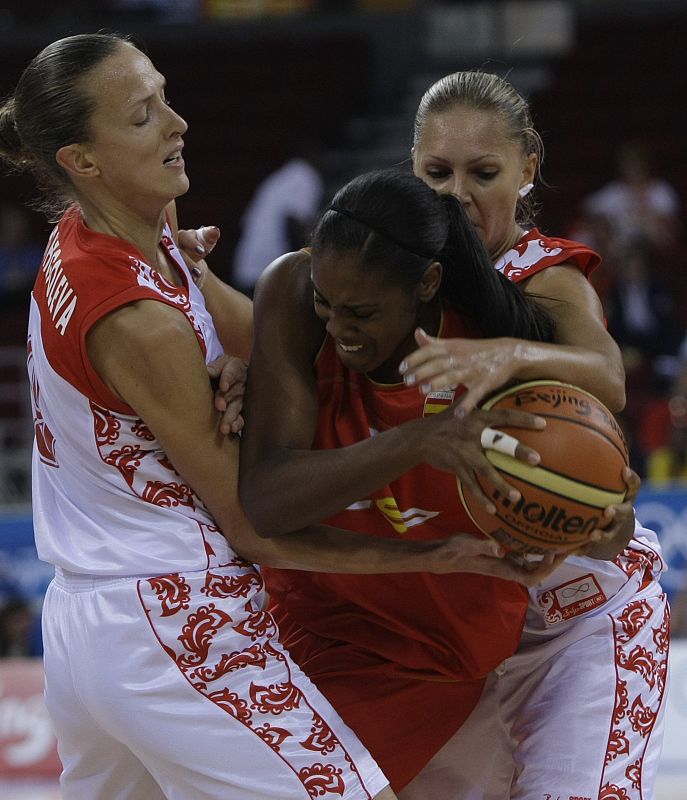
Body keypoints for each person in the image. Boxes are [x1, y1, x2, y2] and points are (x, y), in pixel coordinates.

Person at [0, 32, 511, 800]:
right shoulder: (137, 319)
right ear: (83, 160)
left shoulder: (105, 233)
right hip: (173, 615)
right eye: (142, 116)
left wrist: (238, 355)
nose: (176, 124)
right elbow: (253, 523)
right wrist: (430, 557)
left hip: (84, 625)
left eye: (164, 97)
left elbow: (266, 348)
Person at [235, 166, 638, 791]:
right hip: (314, 626)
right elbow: (266, 499)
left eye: (361, 312)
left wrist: (604, 524)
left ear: (426, 284)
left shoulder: (502, 351)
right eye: (326, 305)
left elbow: (599, 522)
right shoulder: (293, 289)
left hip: (438, 654)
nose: (338, 328)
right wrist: (418, 440)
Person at [396, 69, 668, 800]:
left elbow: (607, 376)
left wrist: (509, 353)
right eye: (437, 172)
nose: (457, 193)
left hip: (581, 623)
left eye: (482, 173)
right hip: (457, 637)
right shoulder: (388, 283)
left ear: (526, 170)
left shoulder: (544, 277)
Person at [231, 144, 325, 296]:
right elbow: (293, 223)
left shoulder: (277, 179)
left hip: (245, 268)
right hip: (270, 271)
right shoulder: (305, 175)